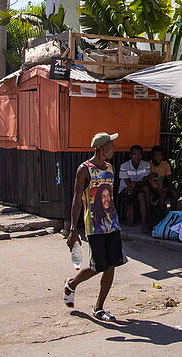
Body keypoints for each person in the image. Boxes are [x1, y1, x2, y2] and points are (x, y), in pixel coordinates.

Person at [64, 132, 126, 320]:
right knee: (98, 266)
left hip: (112, 223)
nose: (114, 149)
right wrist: (73, 229)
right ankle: (72, 284)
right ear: (101, 149)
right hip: (94, 225)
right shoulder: (84, 169)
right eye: (111, 146)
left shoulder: (110, 168)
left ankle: (99, 308)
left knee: (112, 265)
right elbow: (76, 200)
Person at [118, 145, 152, 232]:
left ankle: (145, 222)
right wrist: (136, 183)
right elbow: (129, 185)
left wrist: (135, 183)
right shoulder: (124, 166)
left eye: (139, 154)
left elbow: (146, 181)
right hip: (125, 190)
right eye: (135, 154)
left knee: (144, 191)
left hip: (139, 188)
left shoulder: (146, 164)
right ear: (131, 155)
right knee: (142, 192)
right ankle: (147, 217)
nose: (137, 156)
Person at [148, 145, 175, 216]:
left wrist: (169, 188)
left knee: (174, 193)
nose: (158, 157)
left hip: (161, 187)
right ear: (152, 156)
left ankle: (173, 215)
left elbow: (169, 179)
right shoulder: (148, 164)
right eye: (156, 155)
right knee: (161, 194)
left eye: (160, 155)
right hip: (151, 188)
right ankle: (161, 216)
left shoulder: (165, 165)